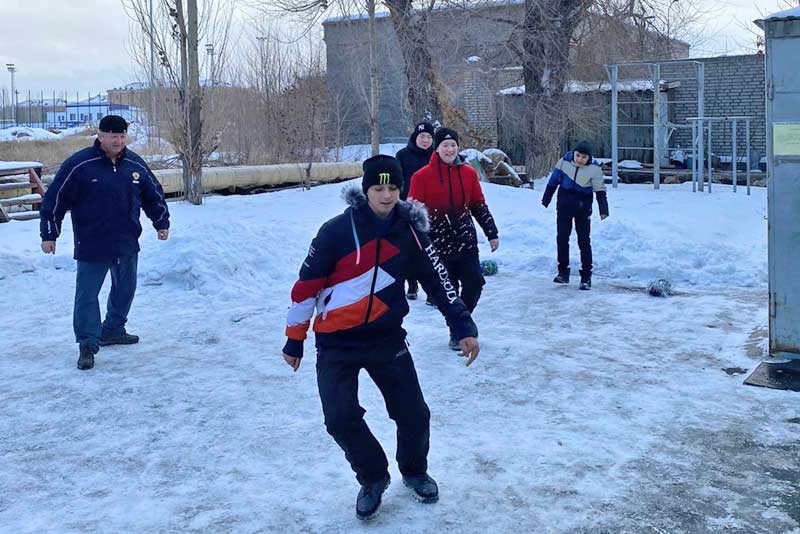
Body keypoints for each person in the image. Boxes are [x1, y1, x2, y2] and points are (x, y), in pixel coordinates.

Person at [281, 155, 480, 521]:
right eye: (378, 188)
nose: (386, 195)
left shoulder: (411, 233)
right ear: (365, 189)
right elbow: (306, 287)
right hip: (336, 342)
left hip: (386, 339)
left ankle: (415, 470)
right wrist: (295, 338)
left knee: (414, 414)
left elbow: (439, 282)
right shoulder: (336, 232)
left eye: (393, 188)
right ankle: (372, 476)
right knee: (340, 419)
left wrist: (462, 326)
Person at [39, 115, 171, 370]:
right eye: (114, 136)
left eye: (122, 137)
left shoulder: (134, 163)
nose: (119, 141)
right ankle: (88, 343)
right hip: (92, 242)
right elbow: (55, 200)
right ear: (100, 136)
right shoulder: (80, 164)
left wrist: (161, 222)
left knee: (126, 287)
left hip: (126, 240)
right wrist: (49, 234)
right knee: (87, 295)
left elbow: (153, 193)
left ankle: (113, 328)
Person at [407, 127, 499, 350]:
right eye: (445, 145)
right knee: (447, 290)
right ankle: (457, 330)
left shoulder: (468, 173)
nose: (449, 149)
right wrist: (414, 241)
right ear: (436, 149)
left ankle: (462, 322)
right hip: (437, 243)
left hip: (465, 240)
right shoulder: (421, 177)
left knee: (474, 283)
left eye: (453, 145)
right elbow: (413, 212)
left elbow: (478, 204)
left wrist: (492, 233)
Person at [541, 140, 609, 290]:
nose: (579, 159)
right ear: (574, 153)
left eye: (583, 157)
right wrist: (546, 198)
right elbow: (553, 182)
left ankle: (586, 277)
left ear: (588, 158)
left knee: (583, 241)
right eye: (578, 155)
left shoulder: (594, 169)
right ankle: (563, 272)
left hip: (582, 210)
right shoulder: (564, 162)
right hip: (564, 207)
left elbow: (600, 191)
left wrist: (603, 210)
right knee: (562, 239)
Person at [395, 121, 435, 300]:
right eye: (422, 137)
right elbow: (396, 180)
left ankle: (432, 290)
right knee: (410, 248)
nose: (425, 140)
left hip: (432, 209)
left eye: (429, 137)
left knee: (430, 250)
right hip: (409, 208)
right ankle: (411, 283)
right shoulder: (402, 155)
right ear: (415, 137)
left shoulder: (436, 156)